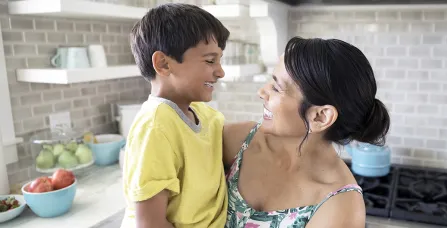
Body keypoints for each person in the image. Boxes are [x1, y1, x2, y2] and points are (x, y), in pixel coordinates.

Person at [222, 37, 391, 227]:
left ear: (320, 117)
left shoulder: (340, 206)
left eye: (276, 88)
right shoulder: (241, 141)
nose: (262, 92)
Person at [120, 3, 230, 228]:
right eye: (210, 60)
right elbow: (150, 224)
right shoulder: (156, 126)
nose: (220, 72)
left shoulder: (204, 114)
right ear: (163, 64)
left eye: (219, 60)